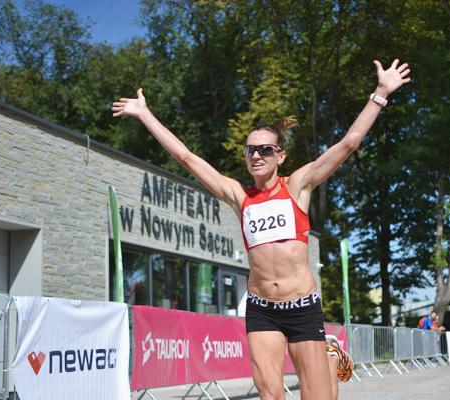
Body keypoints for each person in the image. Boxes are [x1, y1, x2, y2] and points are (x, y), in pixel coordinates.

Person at [112, 58, 410, 400]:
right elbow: (186, 158)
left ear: (280, 155)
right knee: (270, 395)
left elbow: (349, 142)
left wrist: (380, 93)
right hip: (262, 308)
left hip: (302, 307)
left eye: (265, 149)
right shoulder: (239, 196)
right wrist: (145, 114)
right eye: (250, 150)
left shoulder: (297, 186)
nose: (256, 155)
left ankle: (328, 356)